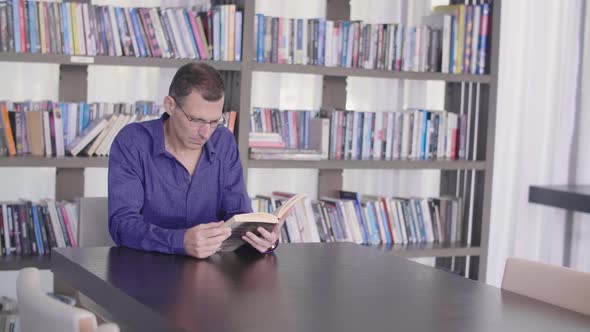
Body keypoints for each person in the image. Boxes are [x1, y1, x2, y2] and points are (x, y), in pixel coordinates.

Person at [108, 63, 279, 258]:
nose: (205, 133)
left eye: (214, 122)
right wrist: (180, 241)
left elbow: (238, 214)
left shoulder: (223, 141)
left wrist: (263, 238)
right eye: (196, 120)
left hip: (212, 276)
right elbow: (121, 225)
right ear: (170, 106)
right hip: (145, 274)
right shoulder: (133, 142)